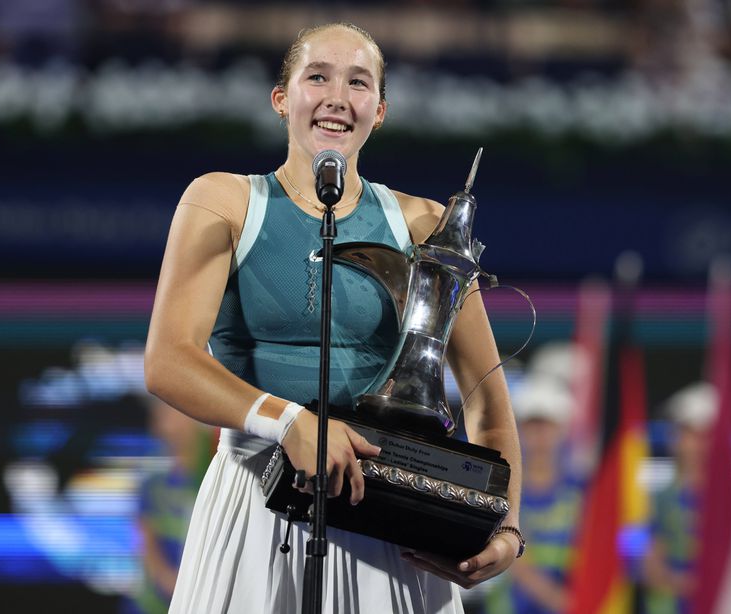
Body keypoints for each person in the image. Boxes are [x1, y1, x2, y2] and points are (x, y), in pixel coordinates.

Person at [144, 22, 522, 613]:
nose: (337, 97)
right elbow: (168, 360)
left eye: (359, 82)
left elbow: (490, 407)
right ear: (281, 98)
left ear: (380, 111)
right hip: (255, 503)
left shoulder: (425, 225)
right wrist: (290, 422)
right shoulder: (222, 201)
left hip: (392, 523)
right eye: (317, 76)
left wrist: (507, 528)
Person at [483, 371, 584, 614]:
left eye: (547, 425)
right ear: (519, 429)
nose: (540, 435)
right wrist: (557, 598)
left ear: (562, 429)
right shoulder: (498, 489)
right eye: (532, 424)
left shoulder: (583, 492)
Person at [129, 395, 214, 614]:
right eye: (162, 415)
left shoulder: (212, 479)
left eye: (173, 412)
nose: (166, 422)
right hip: (154, 604)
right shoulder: (153, 481)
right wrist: (169, 581)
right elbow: (145, 539)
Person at [642, 381, 716, 614]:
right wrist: (684, 584)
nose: (695, 445)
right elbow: (650, 567)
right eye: (687, 433)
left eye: (704, 435)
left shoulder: (729, 502)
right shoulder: (661, 498)